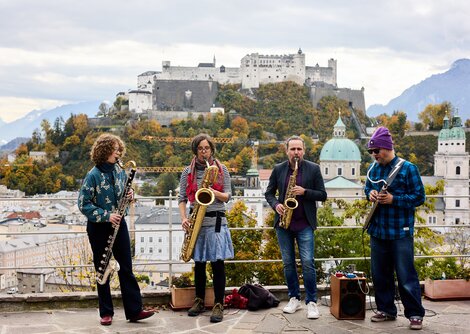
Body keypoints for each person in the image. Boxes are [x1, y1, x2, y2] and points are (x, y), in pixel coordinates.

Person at [78, 133, 154, 326]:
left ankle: (135, 310)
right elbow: (83, 204)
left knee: (126, 268)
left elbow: (124, 199)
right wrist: (106, 215)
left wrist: (130, 195)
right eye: (115, 149)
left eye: (119, 149)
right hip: (98, 228)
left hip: (119, 226)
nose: (118, 152)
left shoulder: (120, 172)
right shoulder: (93, 175)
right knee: (102, 270)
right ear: (104, 151)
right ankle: (106, 312)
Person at [364, 126, 425, 331]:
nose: (374, 155)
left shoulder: (409, 168)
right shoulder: (374, 168)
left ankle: (415, 314)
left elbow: (419, 197)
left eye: (376, 151)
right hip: (378, 230)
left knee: (406, 275)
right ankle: (386, 309)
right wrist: (370, 194)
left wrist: (393, 199)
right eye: (371, 152)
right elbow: (367, 188)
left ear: (387, 148)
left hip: (401, 231)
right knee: (380, 274)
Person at [265, 135, 327, 319]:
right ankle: (294, 298)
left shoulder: (313, 169)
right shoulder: (278, 169)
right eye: (292, 149)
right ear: (287, 151)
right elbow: (268, 193)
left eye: (299, 149)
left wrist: (304, 192)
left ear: (304, 151)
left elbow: (323, 195)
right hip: (284, 224)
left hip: (305, 224)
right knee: (288, 264)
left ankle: (312, 302)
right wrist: (276, 205)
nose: (296, 152)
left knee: (308, 263)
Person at [178, 133, 234, 323]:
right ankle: (199, 300)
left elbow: (228, 196)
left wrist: (212, 192)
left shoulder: (221, 169)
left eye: (207, 148)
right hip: (197, 223)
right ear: (196, 151)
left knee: (218, 264)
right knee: (199, 264)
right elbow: (182, 199)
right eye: (200, 149)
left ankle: (219, 304)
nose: (204, 152)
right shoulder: (188, 172)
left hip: (217, 221)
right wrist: (184, 218)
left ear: (212, 150)